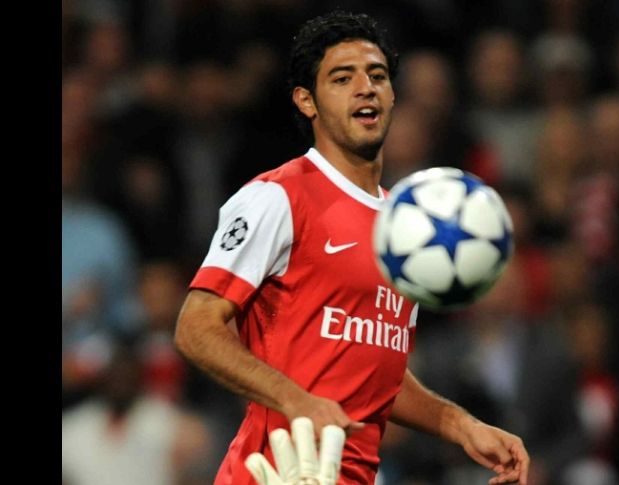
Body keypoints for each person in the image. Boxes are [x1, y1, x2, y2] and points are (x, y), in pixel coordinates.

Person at [174, 11, 529, 485]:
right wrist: (295, 401)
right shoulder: (277, 197)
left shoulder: (407, 227)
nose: (366, 88)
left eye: (377, 76)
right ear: (307, 100)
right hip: (277, 474)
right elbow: (195, 327)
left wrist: (462, 426)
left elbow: (374, 373)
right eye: (342, 78)